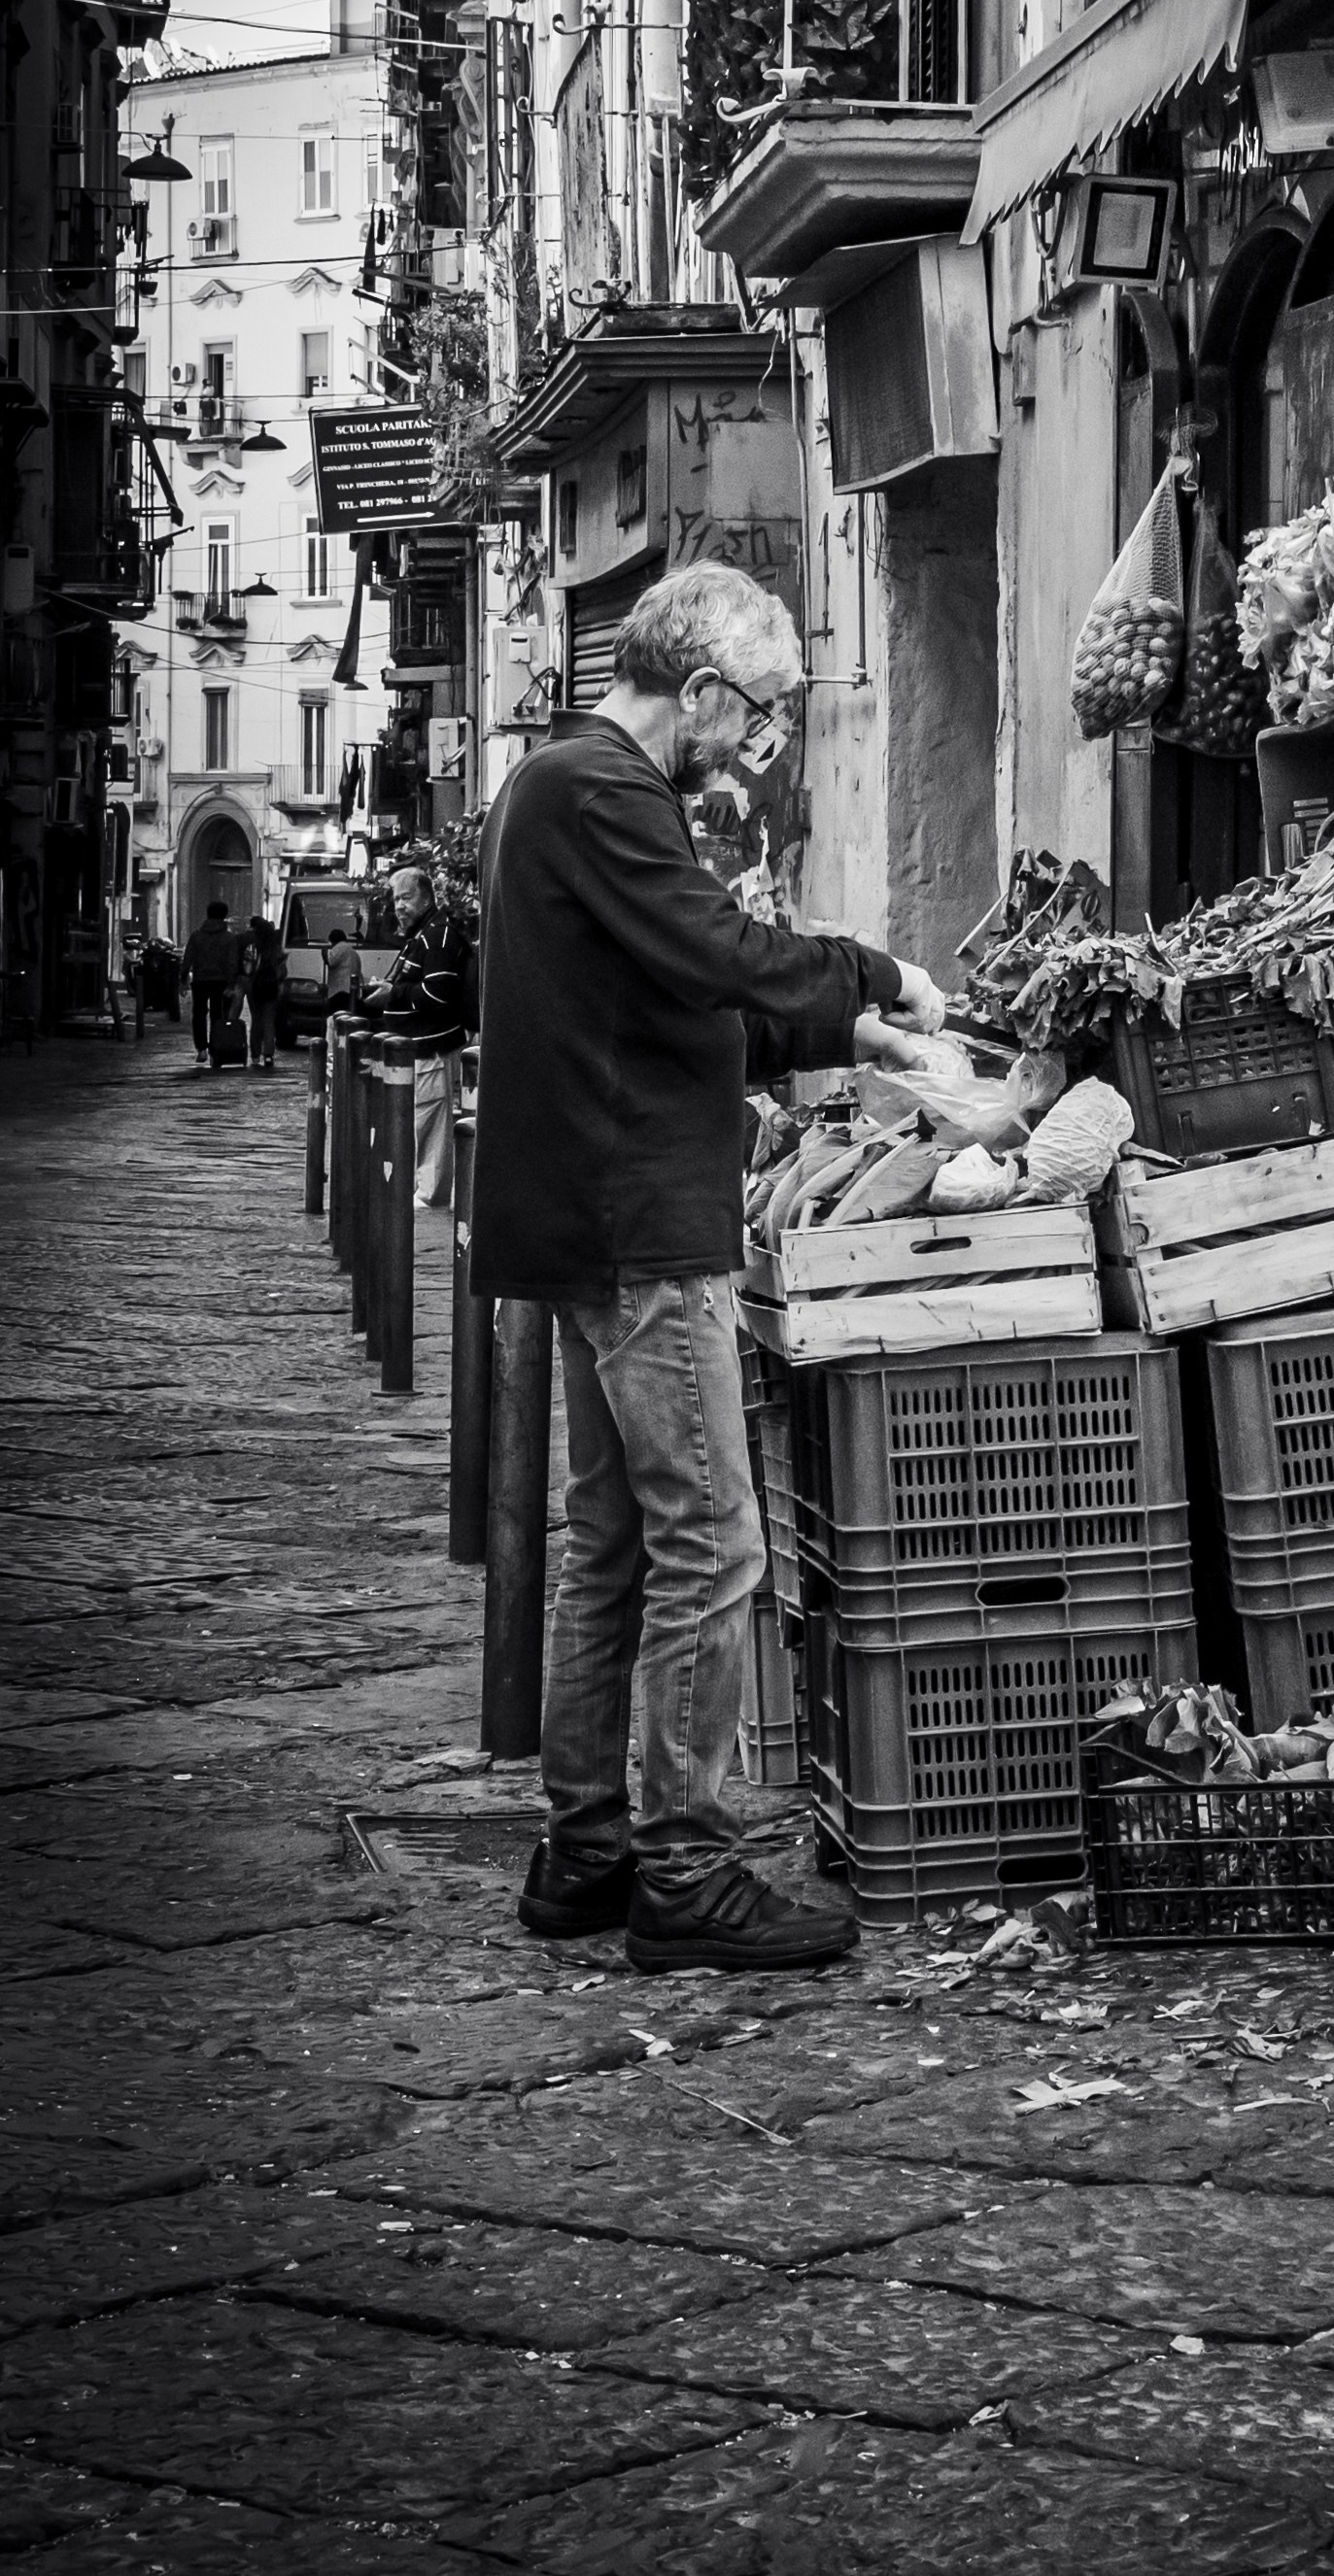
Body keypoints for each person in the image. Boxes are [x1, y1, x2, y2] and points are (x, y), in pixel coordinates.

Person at [473, 560, 944, 1977]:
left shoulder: (562, 790)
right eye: (760, 714)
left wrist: (844, 1042)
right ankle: (682, 1866)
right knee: (713, 1543)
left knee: (614, 1539)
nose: (764, 744)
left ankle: (586, 1851)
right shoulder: (602, 791)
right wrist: (875, 977)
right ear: (699, 690)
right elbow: (714, 948)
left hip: (591, 1211)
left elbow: (668, 1005)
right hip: (634, 1225)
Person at [379, 861, 473, 1206]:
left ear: (425, 898)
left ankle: (431, 1195)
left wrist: (393, 993)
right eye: (395, 900)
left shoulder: (438, 936)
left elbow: (436, 995)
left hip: (431, 1048)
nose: (399, 907)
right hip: (415, 1049)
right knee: (418, 1121)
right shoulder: (422, 935)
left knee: (429, 1123)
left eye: (405, 898)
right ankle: (422, 1189)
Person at [180, 899, 244, 1068]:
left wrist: (182, 978)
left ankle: (201, 1049)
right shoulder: (229, 938)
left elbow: (188, 958)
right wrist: (232, 983)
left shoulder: (196, 935)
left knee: (199, 1014)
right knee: (218, 1015)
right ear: (224, 916)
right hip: (221, 981)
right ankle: (217, 1049)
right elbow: (232, 962)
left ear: (207, 914)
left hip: (200, 980)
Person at [243, 913, 286, 1071]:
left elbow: (247, 970)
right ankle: (269, 1054)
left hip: (256, 987)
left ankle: (255, 1055)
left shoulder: (252, 948)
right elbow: (282, 971)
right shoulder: (276, 949)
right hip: (272, 987)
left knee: (256, 1020)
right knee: (269, 1021)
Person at [322, 929, 364, 1015]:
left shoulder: (340, 947)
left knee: (336, 1014)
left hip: (340, 991)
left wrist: (324, 952)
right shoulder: (353, 951)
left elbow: (331, 962)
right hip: (352, 990)